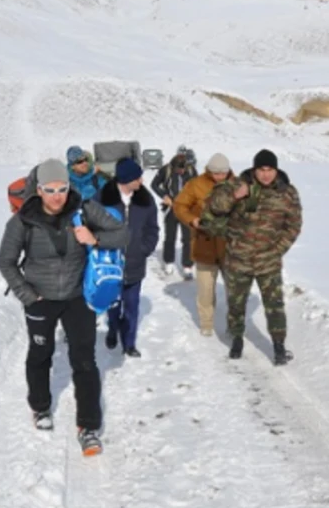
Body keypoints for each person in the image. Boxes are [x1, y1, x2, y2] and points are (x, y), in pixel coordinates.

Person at [0, 158, 129, 455]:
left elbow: (122, 233)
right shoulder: (21, 221)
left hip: (77, 298)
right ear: (38, 190)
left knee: (84, 360)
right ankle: (41, 406)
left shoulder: (83, 209)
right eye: (50, 189)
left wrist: (95, 238)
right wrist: (27, 295)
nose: (58, 196)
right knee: (40, 354)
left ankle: (89, 425)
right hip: (39, 299)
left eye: (63, 188)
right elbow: (5, 262)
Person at [205, 149, 302, 365]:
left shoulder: (287, 192)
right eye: (261, 169)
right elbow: (215, 207)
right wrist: (234, 196)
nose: (266, 174)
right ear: (254, 169)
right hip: (239, 258)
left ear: (276, 170)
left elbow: (293, 225)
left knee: (275, 305)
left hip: (269, 261)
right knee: (236, 303)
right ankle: (237, 338)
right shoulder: (238, 185)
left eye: (270, 170)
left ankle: (278, 345)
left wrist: (278, 249)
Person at [97, 158, 160, 358]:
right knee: (113, 306)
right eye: (137, 177)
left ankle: (129, 343)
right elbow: (91, 226)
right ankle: (113, 329)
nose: (141, 181)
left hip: (135, 263)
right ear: (126, 179)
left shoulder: (145, 199)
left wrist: (144, 249)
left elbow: (153, 228)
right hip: (111, 265)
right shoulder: (103, 198)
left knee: (132, 307)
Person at [172, 152, 233, 336]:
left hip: (231, 248)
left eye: (223, 173)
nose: (220, 176)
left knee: (235, 291)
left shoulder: (237, 185)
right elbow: (179, 206)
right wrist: (193, 220)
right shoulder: (196, 184)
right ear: (209, 171)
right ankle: (206, 323)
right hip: (204, 245)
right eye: (216, 173)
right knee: (206, 290)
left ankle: (234, 325)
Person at [150, 146, 197, 277]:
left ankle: (187, 265)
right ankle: (168, 262)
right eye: (178, 169)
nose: (181, 171)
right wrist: (164, 196)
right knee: (170, 236)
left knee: (188, 238)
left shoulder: (191, 170)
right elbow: (154, 184)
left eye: (183, 169)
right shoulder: (166, 170)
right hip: (171, 208)